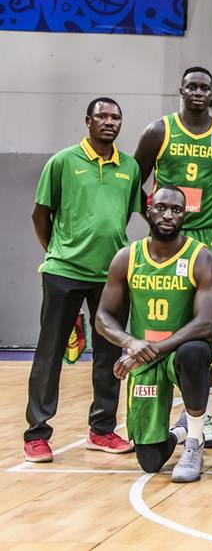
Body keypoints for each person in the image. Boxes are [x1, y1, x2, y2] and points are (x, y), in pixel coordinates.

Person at [25, 97, 143, 463]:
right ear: (88, 121)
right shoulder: (63, 162)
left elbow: (121, 218)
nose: (110, 122)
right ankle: (37, 434)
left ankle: (103, 430)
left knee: (109, 353)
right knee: (50, 353)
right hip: (63, 272)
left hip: (111, 275)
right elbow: (40, 215)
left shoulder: (130, 167)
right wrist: (58, 253)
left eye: (116, 117)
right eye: (102, 116)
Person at [133, 66, 212, 449]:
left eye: (205, 87)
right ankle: (154, 412)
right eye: (192, 86)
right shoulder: (158, 132)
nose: (198, 92)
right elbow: (136, 180)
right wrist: (162, 217)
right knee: (163, 320)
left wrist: (204, 216)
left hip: (206, 237)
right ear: (181, 90)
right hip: (165, 238)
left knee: (204, 327)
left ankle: (203, 415)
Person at [93, 186, 212, 482]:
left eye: (176, 210)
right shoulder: (127, 257)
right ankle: (179, 430)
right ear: (148, 211)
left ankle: (194, 441)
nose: (168, 214)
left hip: (180, 350)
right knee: (150, 461)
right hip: (143, 354)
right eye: (161, 207)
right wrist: (130, 342)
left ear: (185, 216)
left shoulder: (201, 258)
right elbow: (102, 316)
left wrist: (154, 349)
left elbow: (205, 323)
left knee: (195, 353)